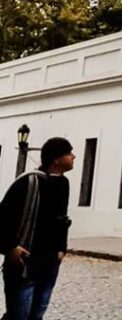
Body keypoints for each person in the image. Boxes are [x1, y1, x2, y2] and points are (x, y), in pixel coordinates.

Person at [0, 136, 75, 320]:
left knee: (37, 313)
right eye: (68, 153)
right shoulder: (28, 182)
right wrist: (11, 247)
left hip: (49, 262)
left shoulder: (63, 184)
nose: (74, 157)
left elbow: (61, 219)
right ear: (56, 159)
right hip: (25, 262)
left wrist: (61, 249)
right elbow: (3, 217)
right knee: (18, 314)